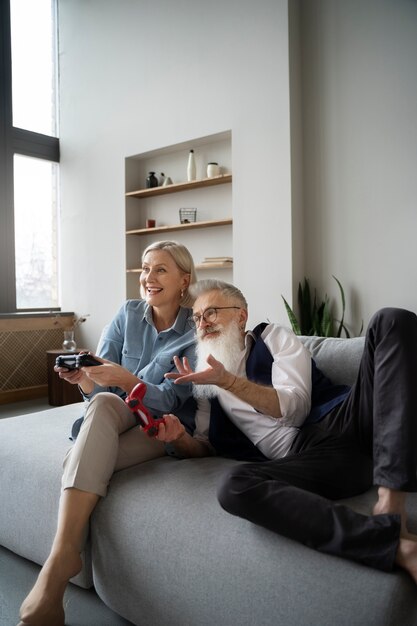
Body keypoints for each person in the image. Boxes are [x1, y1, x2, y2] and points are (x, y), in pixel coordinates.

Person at [161, 279, 417, 586]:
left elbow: (295, 409)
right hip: (312, 459)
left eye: (212, 312)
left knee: (392, 319)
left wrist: (228, 381)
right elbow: (204, 445)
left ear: (241, 316)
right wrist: (179, 438)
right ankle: (393, 546)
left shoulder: (272, 337)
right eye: (198, 317)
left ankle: (392, 504)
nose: (203, 323)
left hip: (346, 419)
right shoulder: (204, 382)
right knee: (234, 485)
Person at [18, 240, 197, 626]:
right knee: (100, 405)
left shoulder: (196, 331)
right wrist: (84, 379)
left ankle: (57, 567)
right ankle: (63, 556)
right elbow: (99, 391)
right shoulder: (128, 313)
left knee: (81, 456)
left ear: (185, 279)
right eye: (145, 268)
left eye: (161, 269)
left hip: (158, 426)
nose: (148, 277)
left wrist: (127, 378)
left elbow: (173, 399)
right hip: (114, 411)